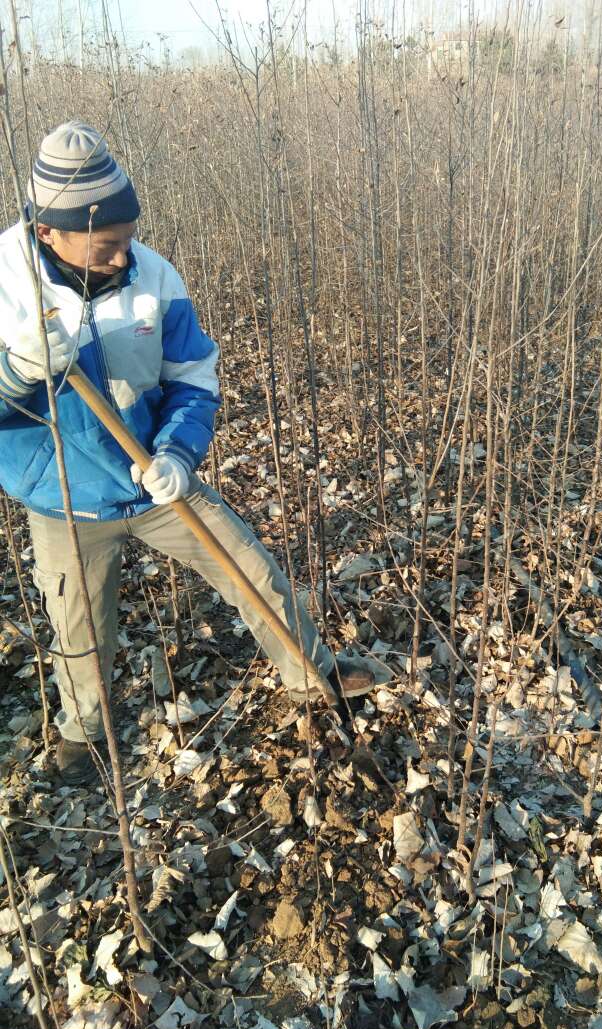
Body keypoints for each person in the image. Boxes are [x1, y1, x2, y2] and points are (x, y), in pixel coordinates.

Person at [0, 121, 373, 784]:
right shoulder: (6, 286)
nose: (124, 257)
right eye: (106, 246)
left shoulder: (155, 276)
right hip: (64, 495)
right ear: (49, 232)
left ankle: (311, 677)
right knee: (80, 628)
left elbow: (193, 379)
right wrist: (14, 373)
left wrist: (177, 454)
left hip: (153, 482)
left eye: (128, 239)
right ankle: (82, 736)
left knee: (252, 571)